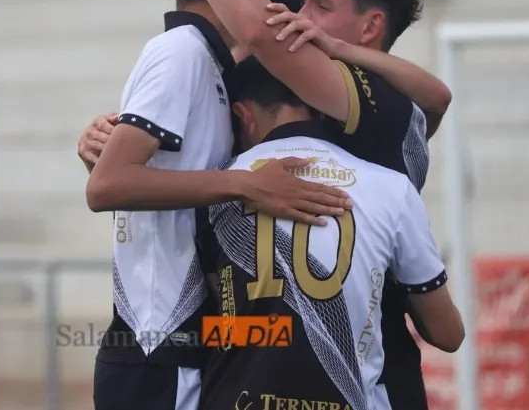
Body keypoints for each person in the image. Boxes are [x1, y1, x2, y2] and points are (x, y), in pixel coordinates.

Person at [125, 0, 453, 410]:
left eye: (318, 5)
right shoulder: (343, 107)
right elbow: (439, 97)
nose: (298, 16)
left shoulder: (372, 101)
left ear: (370, 28)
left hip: (367, 380)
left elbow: (258, 29)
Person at [84, 0, 351, 410]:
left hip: (190, 347)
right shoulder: (179, 51)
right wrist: (247, 184)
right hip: (156, 354)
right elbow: (107, 187)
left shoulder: (211, 63)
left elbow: (139, 173)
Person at [197, 57, 464, 410]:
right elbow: (447, 334)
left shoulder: (215, 187)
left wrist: (273, 331)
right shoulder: (391, 187)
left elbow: (214, 320)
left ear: (243, 115)